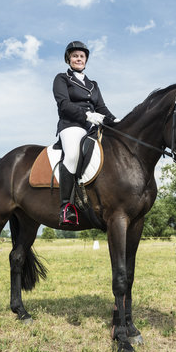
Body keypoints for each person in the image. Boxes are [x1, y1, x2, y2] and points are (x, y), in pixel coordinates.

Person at [53, 41, 118, 225]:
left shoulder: (93, 84)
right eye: (75, 56)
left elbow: (102, 108)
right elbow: (63, 104)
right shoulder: (61, 79)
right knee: (72, 155)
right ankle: (66, 207)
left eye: (82, 56)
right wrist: (86, 115)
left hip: (92, 127)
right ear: (68, 59)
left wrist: (117, 122)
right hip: (71, 125)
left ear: (86, 60)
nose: (78, 59)